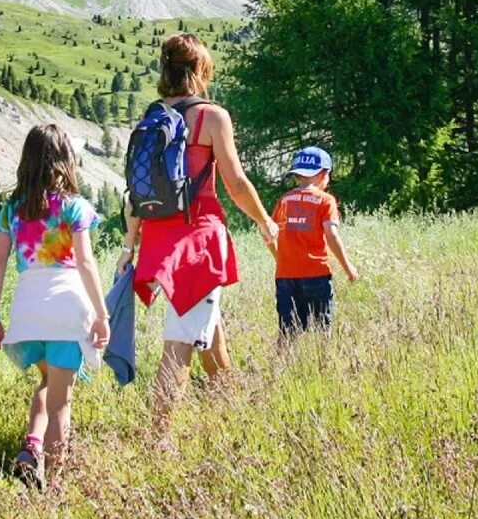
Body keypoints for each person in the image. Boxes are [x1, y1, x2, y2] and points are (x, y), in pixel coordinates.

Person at [119, 32, 279, 427]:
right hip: (197, 240)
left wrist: (129, 245)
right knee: (181, 341)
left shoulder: (151, 117)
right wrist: (265, 221)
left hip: (158, 238)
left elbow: (135, 192)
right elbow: (236, 183)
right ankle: (159, 438)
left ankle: (236, 414)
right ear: (200, 70)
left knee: (209, 329)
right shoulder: (211, 117)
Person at [0, 124, 110, 487]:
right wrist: (101, 314)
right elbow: (85, 263)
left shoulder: (12, 211)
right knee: (60, 404)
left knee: (47, 380)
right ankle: (53, 486)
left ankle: (31, 446)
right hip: (67, 308)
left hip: (27, 308)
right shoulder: (74, 208)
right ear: (65, 161)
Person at [270, 146, 359, 335]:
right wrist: (347, 266)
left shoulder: (284, 199)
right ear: (324, 174)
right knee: (321, 332)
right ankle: (322, 363)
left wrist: (280, 259)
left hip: (285, 275)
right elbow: (331, 234)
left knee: (288, 333)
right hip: (316, 274)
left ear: (296, 175)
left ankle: (282, 365)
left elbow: (268, 234)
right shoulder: (326, 200)